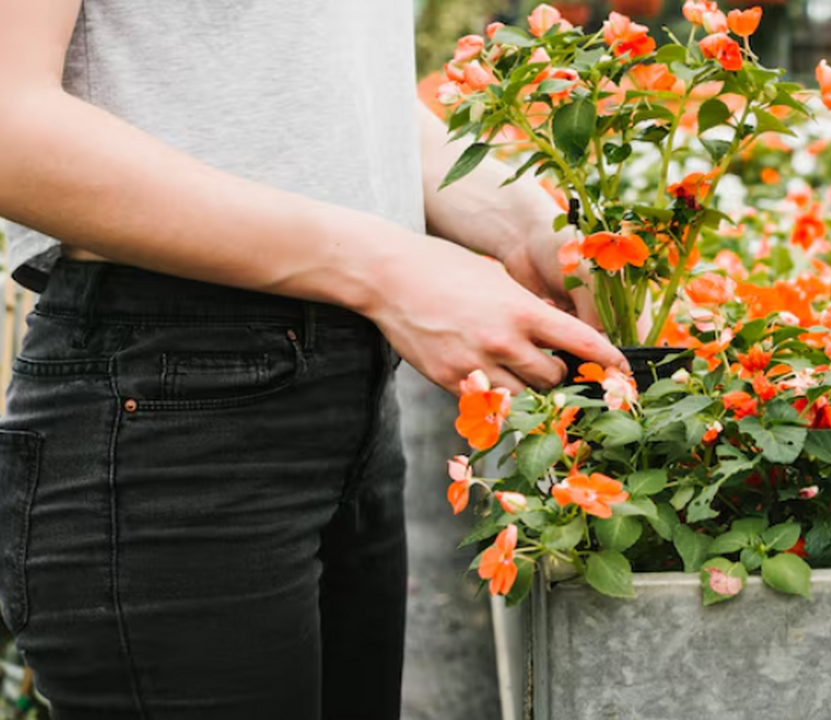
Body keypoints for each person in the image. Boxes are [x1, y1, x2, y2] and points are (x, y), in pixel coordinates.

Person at [0, 2, 625, 719]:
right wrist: (389, 270)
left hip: (341, 387)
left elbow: (317, 90)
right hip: (169, 407)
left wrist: (524, 218)